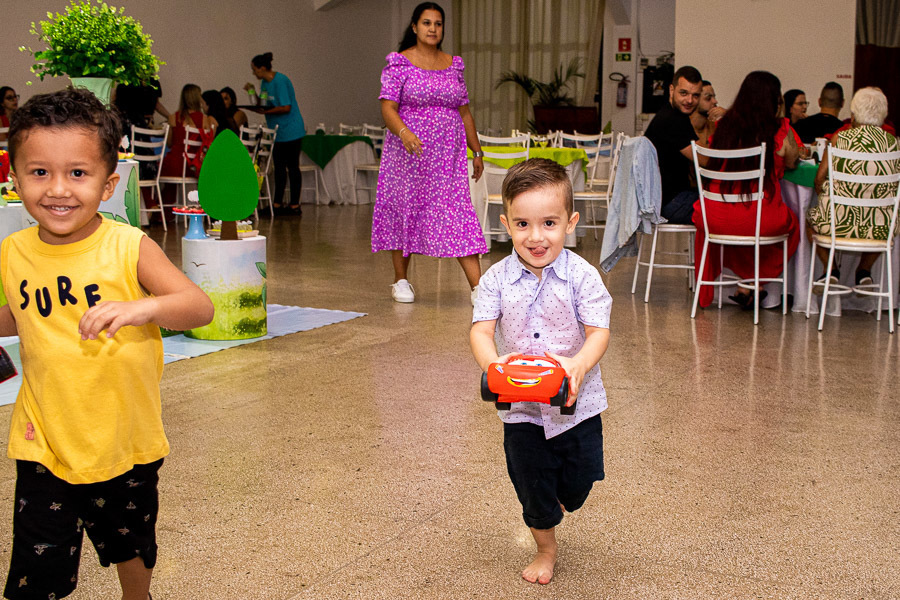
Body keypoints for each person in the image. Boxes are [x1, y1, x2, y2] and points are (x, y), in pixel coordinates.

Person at [0, 88, 214, 600]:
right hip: (44, 438)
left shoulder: (127, 245)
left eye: (78, 173)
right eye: (39, 172)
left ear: (109, 182)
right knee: (37, 564)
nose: (58, 190)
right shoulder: (12, 251)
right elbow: (22, 315)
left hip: (124, 438)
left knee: (129, 543)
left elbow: (199, 307)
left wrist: (143, 307)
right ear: (14, 177)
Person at [470, 158, 611, 585]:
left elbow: (598, 332)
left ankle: (561, 501)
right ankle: (545, 548)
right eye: (523, 224)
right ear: (506, 223)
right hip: (522, 409)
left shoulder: (583, 277)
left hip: (576, 405)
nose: (536, 237)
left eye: (548, 223)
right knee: (531, 482)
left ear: (570, 222)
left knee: (582, 478)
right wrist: (493, 364)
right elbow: (480, 331)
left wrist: (579, 363)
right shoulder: (494, 279)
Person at [372, 2, 487, 304]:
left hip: (447, 156)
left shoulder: (454, 64)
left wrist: (476, 151)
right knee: (404, 210)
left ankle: (479, 288)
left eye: (438, 23)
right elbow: (387, 107)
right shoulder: (399, 63)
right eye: (426, 23)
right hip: (408, 154)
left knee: (456, 211)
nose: (433, 28)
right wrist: (404, 133)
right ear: (414, 27)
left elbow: (464, 113)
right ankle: (400, 281)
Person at [693, 70, 801, 309]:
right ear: (774, 100)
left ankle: (743, 285)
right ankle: (754, 282)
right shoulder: (778, 129)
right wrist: (783, 120)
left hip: (714, 216)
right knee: (791, 225)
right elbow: (792, 160)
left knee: (736, 232)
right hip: (757, 217)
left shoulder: (723, 128)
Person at [807, 87, 899, 290]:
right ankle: (864, 270)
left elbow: (819, 179)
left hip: (838, 224)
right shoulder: (894, 144)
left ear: (854, 113)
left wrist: (828, 199)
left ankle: (831, 269)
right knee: (883, 223)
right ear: (883, 114)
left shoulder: (840, 139)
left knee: (809, 221)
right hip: (879, 227)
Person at [244, 52, 305, 215]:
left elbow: (286, 107)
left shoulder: (281, 81)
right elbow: (263, 103)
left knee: (292, 167)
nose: (253, 73)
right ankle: (277, 204)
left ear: (262, 68)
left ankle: (294, 204)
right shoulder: (265, 83)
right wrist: (251, 93)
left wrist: (268, 110)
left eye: (254, 69)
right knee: (278, 167)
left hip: (291, 129)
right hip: (277, 132)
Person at [644, 65, 705, 224]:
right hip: (670, 203)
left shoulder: (670, 114)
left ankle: (702, 250)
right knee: (726, 208)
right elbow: (705, 160)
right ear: (672, 90)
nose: (690, 100)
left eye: (696, 95)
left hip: (661, 200)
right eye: (684, 93)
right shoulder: (673, 120)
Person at [160, 84, 218, 212]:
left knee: (163, 169)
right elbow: (208, 141)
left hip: (174, 163)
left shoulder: (173, 117)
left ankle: (165, 212)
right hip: (193, 166)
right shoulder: (204, 119)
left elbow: (169, 143)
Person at [691, 80, 726, 147]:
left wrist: (728, 114)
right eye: (708, 98)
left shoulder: (717, 126)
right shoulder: (683, 127)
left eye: (714, 97)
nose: (715, 101)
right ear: (695, 100)